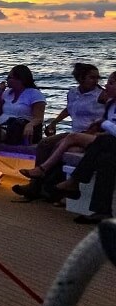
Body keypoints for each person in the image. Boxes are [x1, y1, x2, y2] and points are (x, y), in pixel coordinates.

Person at [14, 63, 104, 199]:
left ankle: (51, 188)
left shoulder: (101, 95)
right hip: (75, 132)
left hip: (90, 134)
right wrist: (54, 122)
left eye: (97, 77)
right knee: (44, 144)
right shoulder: (73, 93)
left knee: (59, 146)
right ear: (81, 78)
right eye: (92, 77)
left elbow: (107, 116)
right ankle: (35, 185)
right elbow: (68, 109)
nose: (96, 80)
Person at [54, 76, 116, 223]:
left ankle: (74, 181)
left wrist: (103, 123)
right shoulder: (111, 104)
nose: (106, 86)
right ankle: (102, 211)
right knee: (106, 160)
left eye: (111, 83)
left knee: (104, 142)